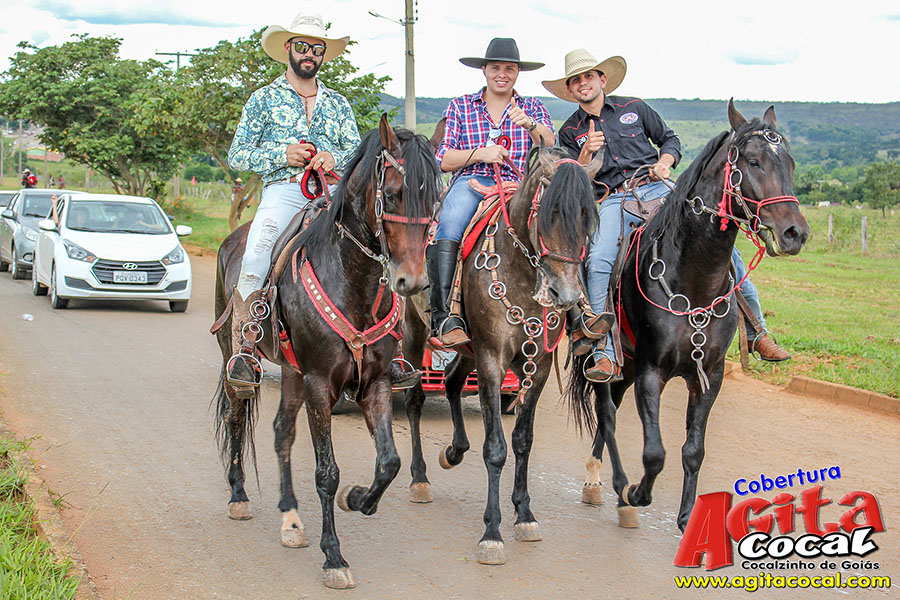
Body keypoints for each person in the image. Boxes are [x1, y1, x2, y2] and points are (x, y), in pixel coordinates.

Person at [545, 49, 788, 382]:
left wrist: (665, 162)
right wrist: (585, 155)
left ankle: (757, 331)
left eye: (588, 76)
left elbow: (669, 139)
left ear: (602, 79)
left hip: (660, 188)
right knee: (599, 260)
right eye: (576, 80)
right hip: (617, 199)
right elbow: (573, 181)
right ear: (571, 90)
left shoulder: (635, 108)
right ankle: (603, 350)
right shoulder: (570, 131)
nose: (583, 84)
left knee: (721, 248)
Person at [225, 9, 360, 394]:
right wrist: (281, 154)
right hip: (285, 189)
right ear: (289, 48)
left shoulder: (339, 104)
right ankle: (247, 348)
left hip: (333, 191)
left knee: (377, 247)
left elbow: (356, 153)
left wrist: (335, 157)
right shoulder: (262, 99)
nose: (309, 54)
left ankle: (388, 347)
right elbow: (238, 154)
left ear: (322, 55)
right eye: (303, 46)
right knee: (257, 251)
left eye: (317, 49)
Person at [431, 38, 555, 346]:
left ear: (517, 73)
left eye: (509, 69)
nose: (502, 74)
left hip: (519, 187)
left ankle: (576, 311)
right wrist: (480, 153)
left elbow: (551, 144)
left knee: (556, 229)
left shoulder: (532, 107)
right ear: (484, 70)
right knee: (449, 224)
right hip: (471, 182)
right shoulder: (460, 105)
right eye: (496, 68)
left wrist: (530, 126)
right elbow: (442, 158)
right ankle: (445, 316)